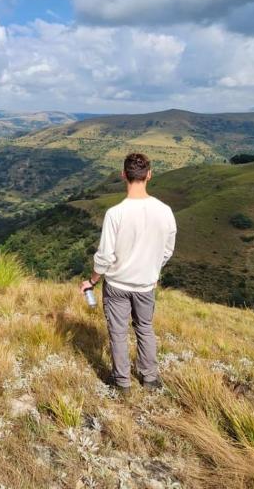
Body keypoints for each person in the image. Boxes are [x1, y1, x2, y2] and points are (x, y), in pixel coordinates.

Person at [82, 153, 177, 394]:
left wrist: (91, 281)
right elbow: (167, 250)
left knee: (118, 332)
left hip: (116, 284)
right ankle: (150, 378)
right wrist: (154, 271)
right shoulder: (165, 211)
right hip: (146, 284)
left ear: (123, 174)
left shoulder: (115, 213)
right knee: (145, 328)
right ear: (149, 174)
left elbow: (105, 256)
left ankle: (122, 382)